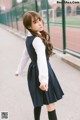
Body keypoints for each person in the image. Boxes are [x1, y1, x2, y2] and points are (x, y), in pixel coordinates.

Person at [15, 11, 64, 120]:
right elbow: (41, 60)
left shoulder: (29, 39)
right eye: (35, 22)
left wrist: (19, 70)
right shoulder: (37, 40)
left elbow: (25, 55)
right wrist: (44, 80)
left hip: (33, 72)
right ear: (29, 26)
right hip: (43, 72)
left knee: (38, 101)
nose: (40, 23)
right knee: (50, 104)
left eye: (40, 20)